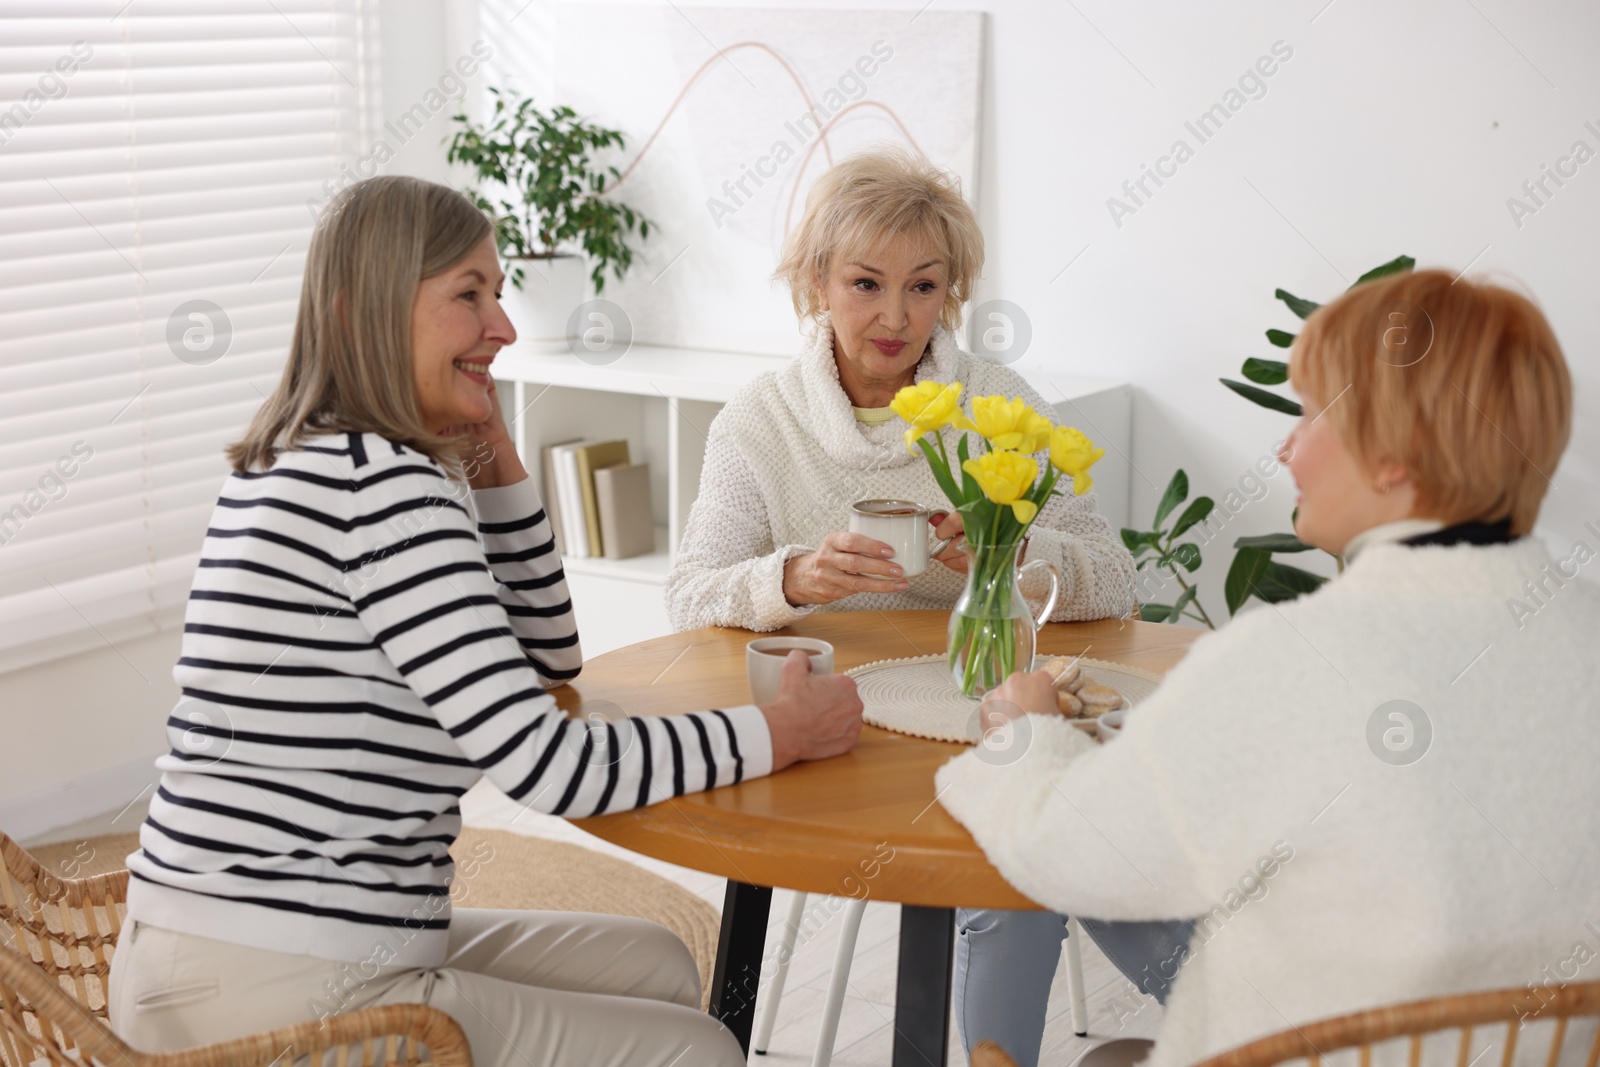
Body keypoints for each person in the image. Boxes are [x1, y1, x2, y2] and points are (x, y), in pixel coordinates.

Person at [106, 176, 864, 1067]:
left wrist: (496, 459)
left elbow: (548, 654)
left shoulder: (312, 454)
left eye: (497, 294)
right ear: (364, 313)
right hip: (284, 982)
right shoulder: (383, 489)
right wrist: (776, 732)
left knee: (656, 960)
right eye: (468, 295)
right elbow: (549, 765)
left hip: (221, 951)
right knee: (695, 1049)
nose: (502, 326)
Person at [940, 269, 1596, 1067]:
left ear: (1392, 456)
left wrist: (1031, 732)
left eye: (1310, 413)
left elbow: (1071, 853)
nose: (1287, 445)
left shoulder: (1297, 660)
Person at [663, 148, 1171, 1067]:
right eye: (864, 283)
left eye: (924, 286)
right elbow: (691, 588)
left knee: (1032, 817)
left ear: (953, 292)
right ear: (816, 281)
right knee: (1046, 818)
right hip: (840, 735)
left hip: (982, 716)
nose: (895, 316)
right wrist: (790, 578)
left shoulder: (996, 405)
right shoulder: (759, 420)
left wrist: (1007, 550)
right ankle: (1254, 1003)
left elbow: (1110, 575)